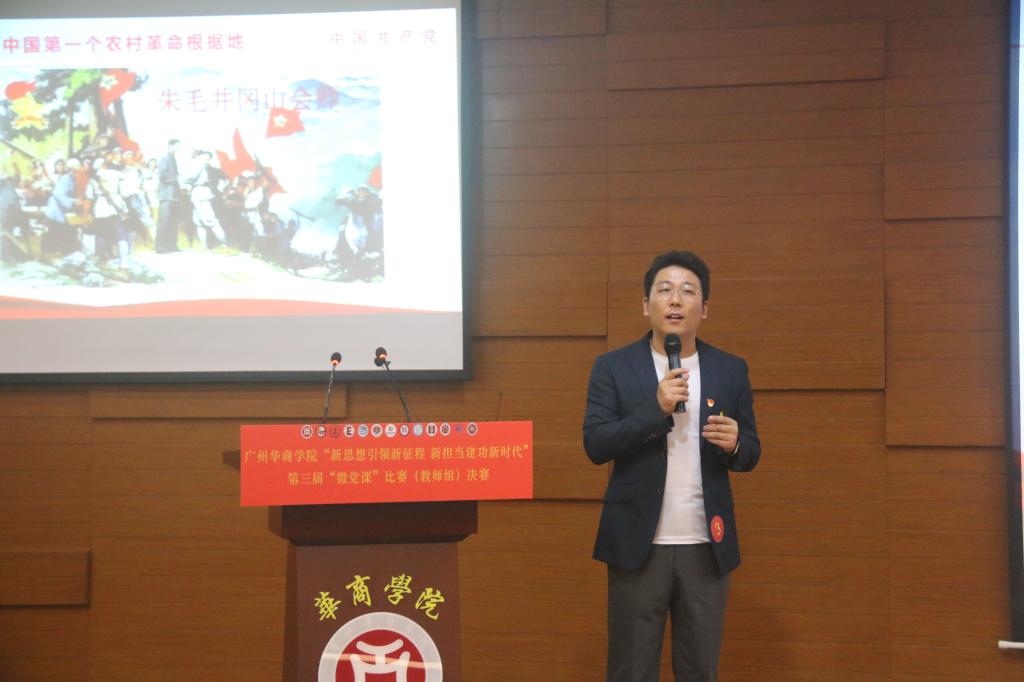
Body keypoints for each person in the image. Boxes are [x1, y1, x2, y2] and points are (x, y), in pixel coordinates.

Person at [582, 250, 760, 682]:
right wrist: (655, 409)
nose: (675, 300)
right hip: (637, 547)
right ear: (646, 305)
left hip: (705, 545)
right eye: (664, 290)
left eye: (687, 291)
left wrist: (736, 444)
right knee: (631, 671)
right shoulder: (613, 367)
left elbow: (751, 451)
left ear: (705, 308)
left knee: (699, 671)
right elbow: (596, 443)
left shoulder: (730, 370)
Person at [155, 138, 180, 253]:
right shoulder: (164, 159)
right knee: (164, 221)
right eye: (176, 146)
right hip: (166, 195)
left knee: (173, 221)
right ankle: (160, 246)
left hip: (174, 196)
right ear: (170, 146)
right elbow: (162, 175)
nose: (178, 148)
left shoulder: (173, 159)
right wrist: (176, 179)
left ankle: (172, 245)